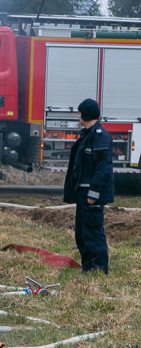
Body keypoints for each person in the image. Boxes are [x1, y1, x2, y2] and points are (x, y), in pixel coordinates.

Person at [63, 98, 113, 274]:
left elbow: (103, 168)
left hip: (92, 195)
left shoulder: (100, 137)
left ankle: (99, 270)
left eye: (79, 112)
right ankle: (88, 268)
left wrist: (94, 193)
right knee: (82, 234)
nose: (78, 116)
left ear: (85, 114)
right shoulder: (88, 134)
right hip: (83, 194)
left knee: (93, 233)